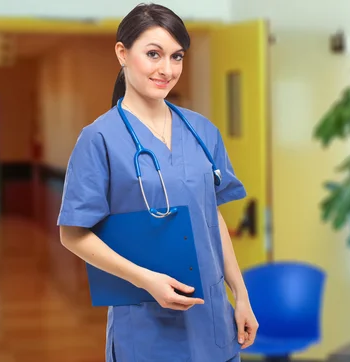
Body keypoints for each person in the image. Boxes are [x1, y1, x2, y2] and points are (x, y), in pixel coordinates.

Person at [57, 3, 258, 361]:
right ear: (122, 52)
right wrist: (144, 279)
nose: (167, 69)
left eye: (176, 57)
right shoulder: (99, 138)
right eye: (153, 54)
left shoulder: (201, 132)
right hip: (145, 324)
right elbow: (72, 234)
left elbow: (212, 219)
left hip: (212, 319)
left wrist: (240, 296)